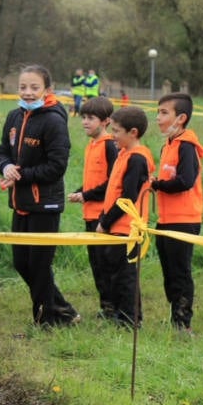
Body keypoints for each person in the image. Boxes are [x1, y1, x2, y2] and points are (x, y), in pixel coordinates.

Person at [0, 65, 79, 327]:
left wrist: (22, 175)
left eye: (34, 88)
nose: (28, 93)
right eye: (23, 87)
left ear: (47, 90)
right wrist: (5, 166)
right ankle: (64, 310)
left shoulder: (54, 121)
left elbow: (57, 166)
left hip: (45, 204)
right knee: (22, 263)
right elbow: (2, 151)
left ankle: (45, 321)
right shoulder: (14, 117)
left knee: (40, 267)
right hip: (19, 202)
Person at [94, 106, 155, 328]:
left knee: (126, 276)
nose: (113, 136)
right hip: (116, 226)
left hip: (128, 228)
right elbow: (113, 192)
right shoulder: (124, 154)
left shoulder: (137, 158)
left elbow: (128, 197)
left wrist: (104, 221)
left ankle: (130, 320)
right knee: (115, 274)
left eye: (117, 131)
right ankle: (120, 314)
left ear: (133, 133)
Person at [150, 93, 203, 334]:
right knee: (169, 272)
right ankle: (175, 318)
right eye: (158, 112)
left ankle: (183, 323)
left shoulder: (187, 145)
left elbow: (185, 181)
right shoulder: (168, 145)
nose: (158, 118)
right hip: (165, 218)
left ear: (180, 118)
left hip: (184, 220)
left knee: (180, 273)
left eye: (164, 113)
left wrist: (158, 184)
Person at [67, 96, 117, 318]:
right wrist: (81, 192)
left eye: (91, 118)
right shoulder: (91, 145)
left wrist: (85, 195)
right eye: (83, 117)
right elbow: (93, 181)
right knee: (96, 265)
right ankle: (106, 307)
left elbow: (112, 184)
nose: (85, 122)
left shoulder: (110, 146)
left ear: (106, 121)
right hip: (89, 214)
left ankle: (116, 309)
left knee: (107, 266)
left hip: (104, 217)